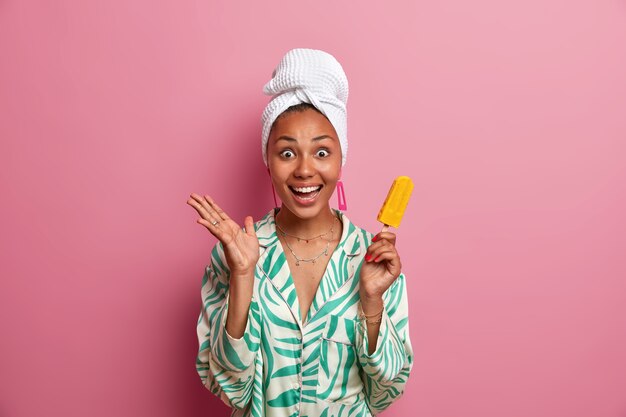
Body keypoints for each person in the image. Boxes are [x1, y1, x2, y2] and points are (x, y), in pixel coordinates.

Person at [187, 48, 413, 417]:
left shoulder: (374, 260)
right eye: (287, 153)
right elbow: (231, 389)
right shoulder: (237, 253)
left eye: (322, 152)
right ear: (268, 161)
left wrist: (371, 301)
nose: (305, 170)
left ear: (342, 159)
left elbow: (385, 392)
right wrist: (243, 276)